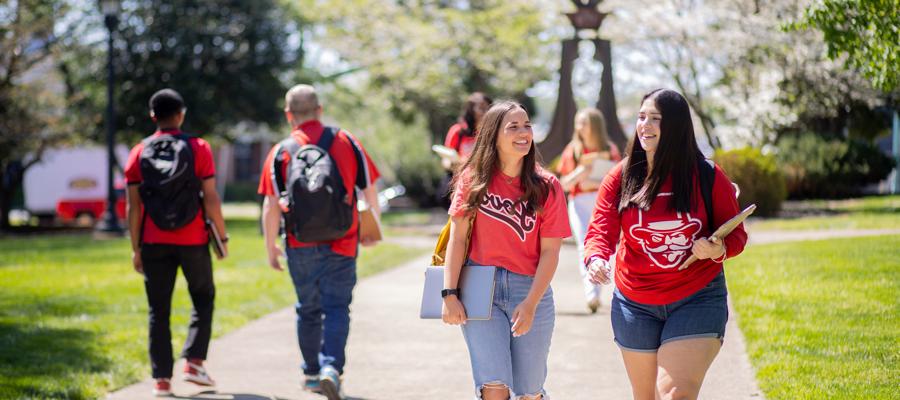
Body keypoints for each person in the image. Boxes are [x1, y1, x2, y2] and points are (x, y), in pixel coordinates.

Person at [583, 89, 748, 400]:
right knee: (646, 396)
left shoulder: (707, 175)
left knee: (674, 394)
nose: (645, 124)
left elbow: (737, 234)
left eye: (655, 118)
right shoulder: (621, 177)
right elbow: (600, 231)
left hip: (696, 298)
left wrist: (716, 250)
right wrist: (595, 259)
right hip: (634, 303)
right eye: (641, 117)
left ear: (676, 125)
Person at [258, 84, 381, 400]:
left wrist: (271, 245)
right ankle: (332, 369)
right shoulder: (346, 141)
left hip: (299, 245)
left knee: (308, 309)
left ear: (289, 115)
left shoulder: (281, 151)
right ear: (319, 110)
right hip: (343, 239)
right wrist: (371, 229)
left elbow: (271, 205)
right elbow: (368, 191)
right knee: (337, 307)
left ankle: (311, 374)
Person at [442, 101, 571, 400]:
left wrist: (531, 302)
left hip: (528, 288)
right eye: (513, 127)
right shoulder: (473, 179)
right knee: (494, 387)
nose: (523, 132)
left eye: (526, 125)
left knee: (528, 391)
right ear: (493, 135)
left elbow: (551, 252)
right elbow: (458, 240)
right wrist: (449, 294)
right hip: (478, 285)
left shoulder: (547, 186)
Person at [125, 88, 228, 397]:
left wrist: (136, 248)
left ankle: (161, 381)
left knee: (158, 310)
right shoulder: (198, 147)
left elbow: (134, 207)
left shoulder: (138, 152)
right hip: (193, 238)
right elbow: (210, 198)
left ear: (152, 116)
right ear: (181, 114)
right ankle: (194, 362)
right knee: (203, 296)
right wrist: (221, 237)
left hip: (154, 241)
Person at [555, 107, 621, 313]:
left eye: (584, 122)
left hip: (603, 202)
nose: (579, 127)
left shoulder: (610, 149)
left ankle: (599, 288)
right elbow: (563, 184)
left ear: (595, 125)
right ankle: (591, 293)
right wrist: (582, 172)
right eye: (578, 122)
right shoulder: (572, 150)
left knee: (607, 245)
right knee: (585, 245)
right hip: (579, 202)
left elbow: (620, 178)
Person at [437, 92, 493, 206]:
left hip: (486, 185)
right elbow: (446, 162)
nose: (486, 111)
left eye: (489, 107)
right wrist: (457, 163)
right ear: (471, 110)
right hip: (462, 185)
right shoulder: (458, 131)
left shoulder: (494, 133)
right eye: (481, 108)